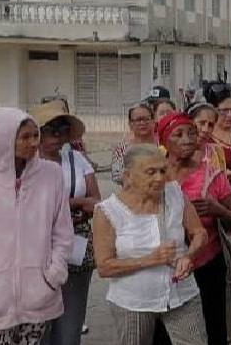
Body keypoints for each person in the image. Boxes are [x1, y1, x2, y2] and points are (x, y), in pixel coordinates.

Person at [0, 108, 73, 345]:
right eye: (24, 137)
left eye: (35, 135)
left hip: (38, 299)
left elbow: (62, 233)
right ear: (4, 138)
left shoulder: (52, 175)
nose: (33, 143)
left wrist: (52, 276)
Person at [93, 144, 209, 345]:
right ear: (128, 176)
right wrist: (149, 260)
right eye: (150, 172)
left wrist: (188, 256)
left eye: (163, 171)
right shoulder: (108, 211)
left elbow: (199, 233)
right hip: (133, 301)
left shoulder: (174, 194)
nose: (159, 178)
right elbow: (104, 267)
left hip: (181, 294)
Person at [160, 112, 231, 345]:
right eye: (179, 134)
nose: (188, 139)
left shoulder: (211, 173)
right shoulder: (155, 175)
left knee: (212, 330)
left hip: (207, 268)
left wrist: (217, 209)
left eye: (191, 133)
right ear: (164, 140)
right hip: (166, 270)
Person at [30, 100, 99, 345]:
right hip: (37, 247)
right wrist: (75, 204)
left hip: (76, 244)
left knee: (70, 324)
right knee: (39, 325)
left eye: (62, 130)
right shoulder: (26, 165)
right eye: (51, 130)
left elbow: (96, 201)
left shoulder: (77, 160)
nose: (58, 136)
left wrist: (75, 204)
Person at [112, 104, 157, 186]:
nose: (142, 123)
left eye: (146, 119)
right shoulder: (121, 149)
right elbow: (116, 176)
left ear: (153, 121)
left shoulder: (162, 146)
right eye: (138, 120)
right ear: (130, 124)